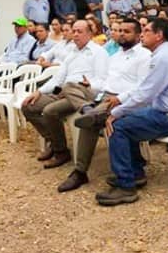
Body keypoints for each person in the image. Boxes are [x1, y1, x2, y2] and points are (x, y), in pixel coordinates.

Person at [95, 18, 168, 206]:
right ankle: (135, 173)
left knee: (119, 127)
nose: (142, 34)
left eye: (147, 31)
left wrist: (117, 111)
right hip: (167, 113)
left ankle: (126, 186)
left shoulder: (163, 57)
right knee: (125, 120)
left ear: (159, 35)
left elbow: (146, 94)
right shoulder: (164, 53)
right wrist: (121, 100)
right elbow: (144, 87)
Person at [57, 19, 151, 192]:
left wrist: (119, 98)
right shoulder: (115, 57)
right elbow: (106, 82)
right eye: (120, 30)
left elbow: (142, 88)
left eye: (127, 31)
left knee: (89, 123)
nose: (122, 34)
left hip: (123, 100)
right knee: (70, 86)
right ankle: (88, 110)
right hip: (103, 96)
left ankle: (80, 171)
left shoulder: (144, 56)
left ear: (138, 35)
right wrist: (90, 85)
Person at [22, 20, 109, 168]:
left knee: (50, 111)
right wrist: (39, 91)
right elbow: (58, 78)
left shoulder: (98, 52)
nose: (75, 34)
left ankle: (61, 152)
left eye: (79, 31)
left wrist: (90, 85)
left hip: (82, 93)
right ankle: (54, 142)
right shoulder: (72, 53)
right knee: (28, 106)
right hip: (63, 91)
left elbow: (103, 81)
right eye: (73, 31)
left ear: (90, 33)